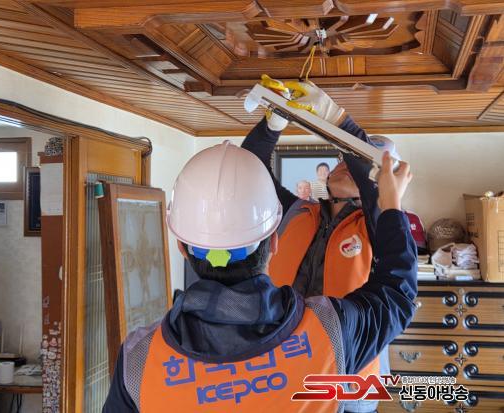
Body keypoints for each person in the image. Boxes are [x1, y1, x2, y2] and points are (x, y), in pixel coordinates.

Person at [102, 140, 417, 413]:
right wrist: (392, 204)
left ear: (182, 247)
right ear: (275, 241)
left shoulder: (138, 362)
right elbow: (397, 293)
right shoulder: (332, 331)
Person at [241, 78, 402, 413]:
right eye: (342, 157)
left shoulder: (381, 225)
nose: (345, 163)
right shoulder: (297, 211)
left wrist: (338, 121)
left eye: (359, 163)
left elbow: (374, 189)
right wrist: (273, 124)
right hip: (280, 367)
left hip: (346, 383)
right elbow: (250, 168)